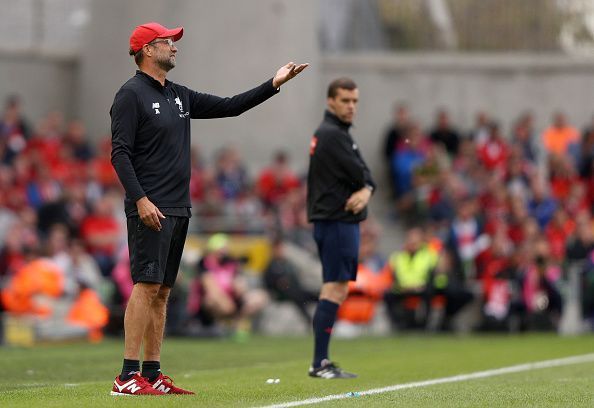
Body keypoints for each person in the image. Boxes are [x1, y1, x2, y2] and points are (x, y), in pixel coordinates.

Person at [109, 21, 308, 396]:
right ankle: (126, 376)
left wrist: (274, 83)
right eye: (168, 42)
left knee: (163, 291)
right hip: (149, 206)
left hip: (178, 208)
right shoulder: (130, 95)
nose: (175, 47)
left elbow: (231, 107)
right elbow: (119, 153)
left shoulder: (179, 95)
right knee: (146, 285)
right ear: (147, 50)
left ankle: (151, 373)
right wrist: (140, 199)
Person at [306, 77, 375, 379]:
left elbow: (367, 178)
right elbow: (362, 175)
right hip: (336, 219)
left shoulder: (337, 133)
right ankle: (319, 362)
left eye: (355, 101)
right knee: (335, 287)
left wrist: (368, 188)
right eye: (345, 100)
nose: (351, 107)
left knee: (336, 287)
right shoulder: (333, 134)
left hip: (335, 220)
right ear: (330, 101)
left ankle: (321, 361)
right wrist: (367, 187)